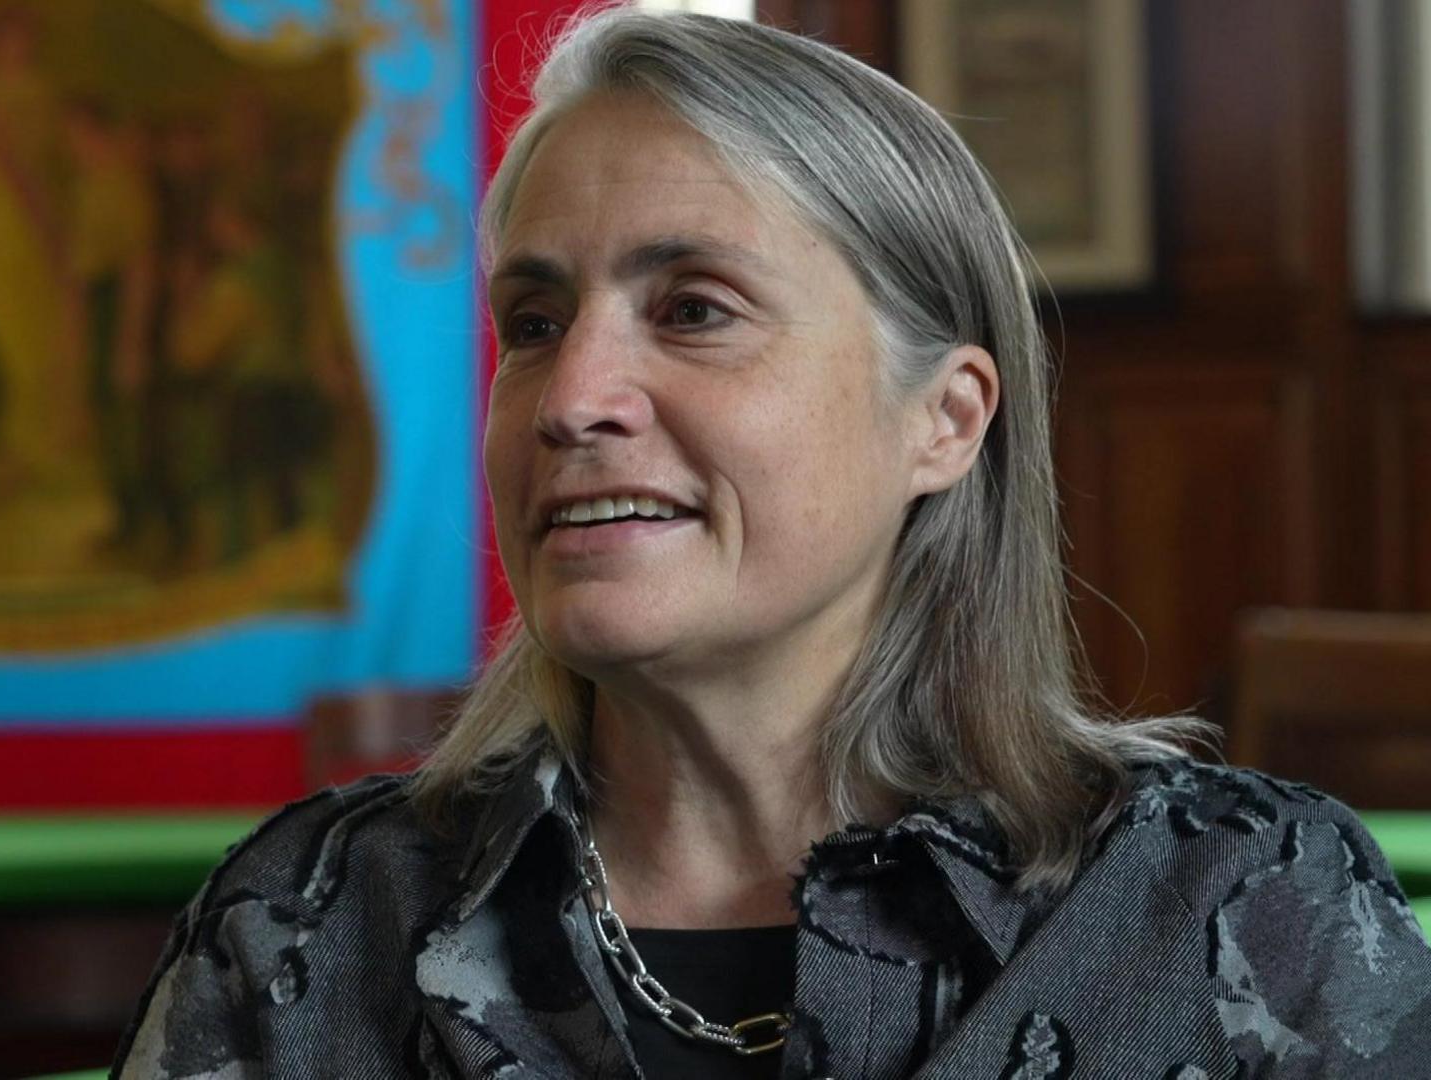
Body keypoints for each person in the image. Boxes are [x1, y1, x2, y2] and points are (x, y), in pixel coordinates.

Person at [112, 10, 1431, 1078]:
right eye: (532, 324)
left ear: (943, 419)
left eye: (692, 309)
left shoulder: (1241, 914)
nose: (573, 399)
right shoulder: (312, 928)